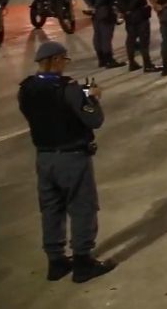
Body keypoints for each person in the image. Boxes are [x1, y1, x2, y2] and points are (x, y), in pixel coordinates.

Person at [18, 41, 116, 283]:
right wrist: (93, 99)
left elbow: (46, 106)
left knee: (51, 209)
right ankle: (83, 262)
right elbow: (94, 121)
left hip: (44, 158)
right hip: (71, 157)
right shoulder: (69, 88)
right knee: (82, 207)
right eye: (64, 59)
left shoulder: (26, 89)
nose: (65, 64)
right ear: (55, 60)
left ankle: (56, 261)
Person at [113, 0, 159, 73]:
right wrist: (130, 9)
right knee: (144, 39)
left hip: (129, 14)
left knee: (131, 38)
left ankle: (132, 63)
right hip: (138, 12)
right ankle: (147, 64)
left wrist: (124, 10)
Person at [80, 0, 123, 68]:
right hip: (104, 9)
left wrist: (90, 5)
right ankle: (109, 59)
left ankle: (101, 59)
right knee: (106, 35)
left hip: (95, 10)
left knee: (97, 34)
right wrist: (97, 5)